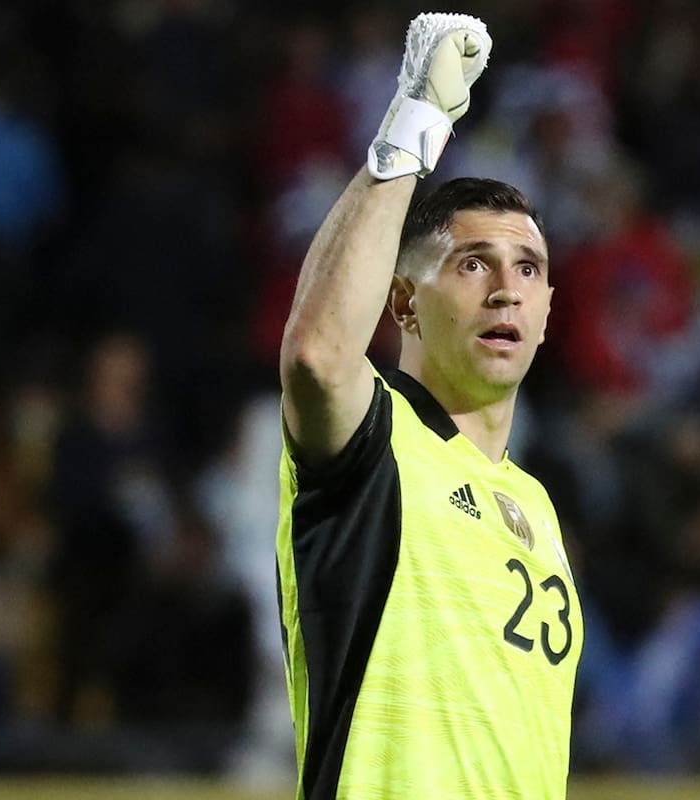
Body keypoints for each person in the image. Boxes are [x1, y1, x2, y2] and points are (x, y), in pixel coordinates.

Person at [276, 12, 583, 800]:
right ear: (404, 303)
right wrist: (415, 124)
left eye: (528, 268)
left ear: (548, 311)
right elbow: (316, 353)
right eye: (474, 264)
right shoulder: (377, 441)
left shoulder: (539, 508)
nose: (507, 286)